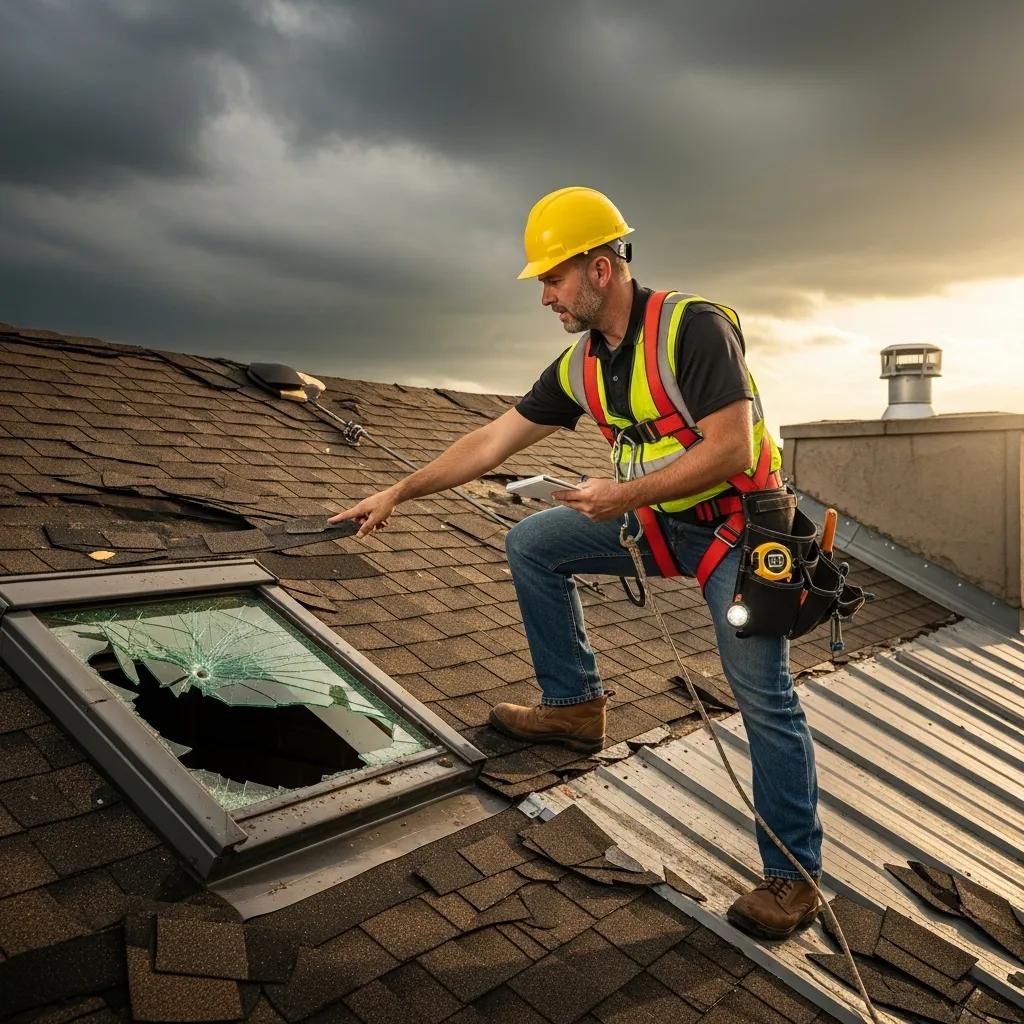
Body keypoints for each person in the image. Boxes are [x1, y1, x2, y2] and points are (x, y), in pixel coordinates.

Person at [328, 187, 822, 939]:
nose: (545, 297)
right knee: (533, 543)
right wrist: (399, 490)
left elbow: (732, 448)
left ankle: (793, 879)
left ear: (600, 268)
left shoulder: (694, 329)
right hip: (663, 521)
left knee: (763, 695)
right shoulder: (582, 366)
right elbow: (489, 443)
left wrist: (623, 495)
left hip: (743, 533)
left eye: (551, 280)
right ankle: (575, 707)